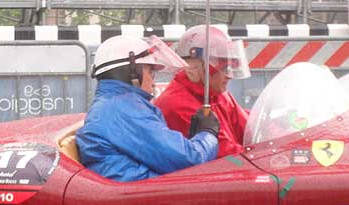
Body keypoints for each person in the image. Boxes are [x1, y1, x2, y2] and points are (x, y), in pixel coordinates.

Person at [76, 35, 220, 182]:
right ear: (133, 71)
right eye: (150, 72)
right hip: (137, 198)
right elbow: (190, 160)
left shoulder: (116, 105)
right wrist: (208, 133)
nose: (153, 80)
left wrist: (194, 138)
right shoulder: (123, 109)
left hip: (140, 193)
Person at [154, 25, 251, 158]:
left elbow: (250, 128)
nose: (229, 75)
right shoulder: (177, 104)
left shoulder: (218, 95)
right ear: (195, 67)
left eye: (230, 66)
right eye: (222, 67)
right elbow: (225, 156)